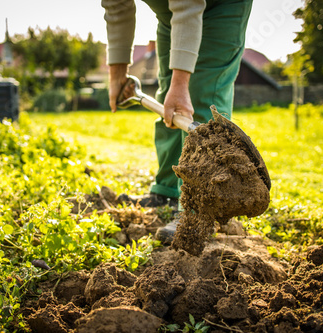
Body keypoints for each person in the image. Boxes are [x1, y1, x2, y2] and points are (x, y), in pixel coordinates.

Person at [102, 0, 253, 242]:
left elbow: (187, 3)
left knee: (202, 98)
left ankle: (200, 210)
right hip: (170, 14)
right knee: (168, 101)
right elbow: (117, 5)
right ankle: (168, 191)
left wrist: (181, 82)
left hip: (221, 5)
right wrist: (117, 74)